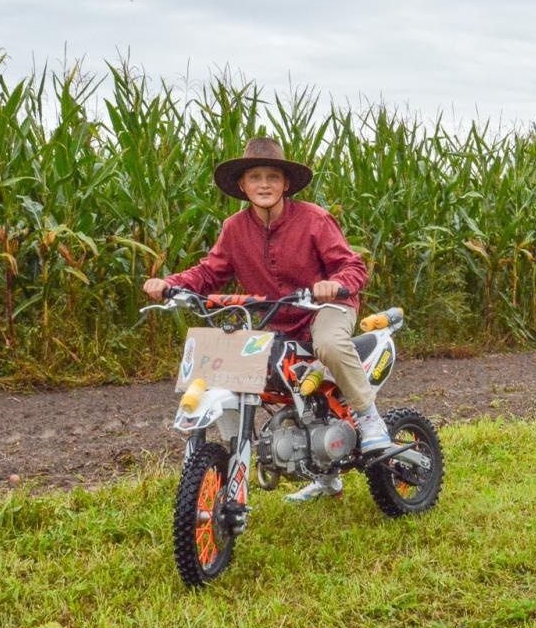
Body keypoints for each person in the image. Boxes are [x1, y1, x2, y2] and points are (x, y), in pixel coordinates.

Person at [143, 136, 391, 503]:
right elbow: (209, 273)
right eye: (255, 177)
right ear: (241, 185)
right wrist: (171, 285)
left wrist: (333, 285)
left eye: (272, 176)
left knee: (328, 344)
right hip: (277, 318)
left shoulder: (314, 219)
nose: (264, 184)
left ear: (285, 183)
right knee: (237, 372)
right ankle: (258, 455)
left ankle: (369, 418)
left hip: (325, 309)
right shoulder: (234, 228)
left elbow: (351, 266)